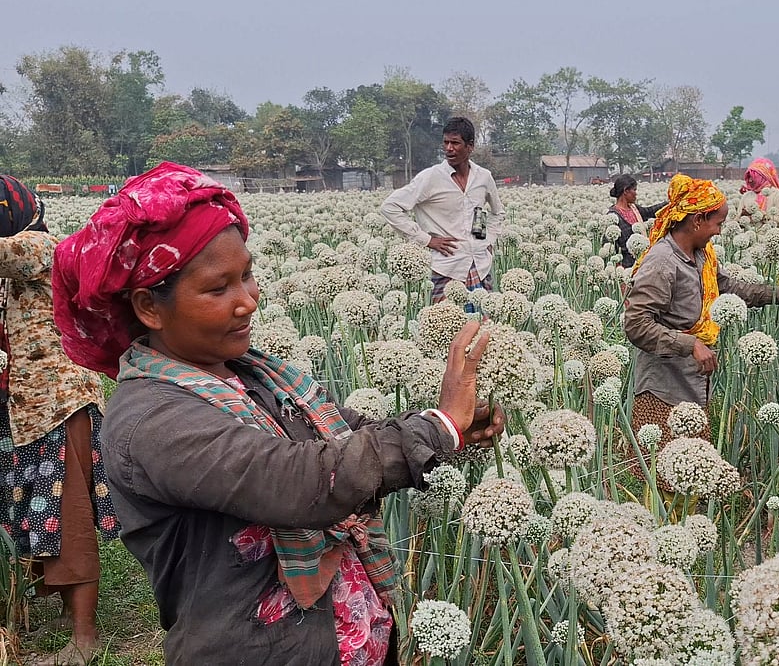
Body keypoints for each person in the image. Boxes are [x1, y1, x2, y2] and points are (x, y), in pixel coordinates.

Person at [51, 163, 505, 666]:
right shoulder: (151, 419)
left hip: (343, 639)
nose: (247, 300)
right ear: (149, 307)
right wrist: (436, 427)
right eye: (217, 288)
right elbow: (295, 480)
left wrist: (453, 430)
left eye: (246, 275)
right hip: (256, 648)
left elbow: (344, 436)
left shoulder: (254, 376)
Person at [0, 176, 119, 666]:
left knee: (67, 518)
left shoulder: (38, 246)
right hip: (28, 408)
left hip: (58, 405)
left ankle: (86, 639)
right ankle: (63, 615)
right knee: (35, 512)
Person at [623, 174, 779, 471]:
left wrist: (778, 294)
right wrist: (690, 344)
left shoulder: (700, 255)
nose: (718, 232)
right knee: (664, 478)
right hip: (663, 387)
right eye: (716, 223)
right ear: (696, 221)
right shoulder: (663, 262)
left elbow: (727, 288)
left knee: (692, 474)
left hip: (693, 383)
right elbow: (636, 324)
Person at [380, 117, 504, 303]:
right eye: (445, 143)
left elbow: (497, 213)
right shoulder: (431, 177)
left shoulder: (484, 177)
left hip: (480, 266)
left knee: (483, 328)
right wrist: (427, 240)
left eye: (455, 143)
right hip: (446, 267)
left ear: (470, 146)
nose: (448, 148)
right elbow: (390, 207)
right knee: (444, 328)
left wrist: (487, 240)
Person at [608, 174, 667, 268]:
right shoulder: (613, 216)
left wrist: (669, 203)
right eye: (634, 190)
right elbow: (610, 249)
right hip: (627, 268)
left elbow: (651, 211)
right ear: (626, 191)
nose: (636, 193)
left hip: (643, 263)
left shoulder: (634, 209)